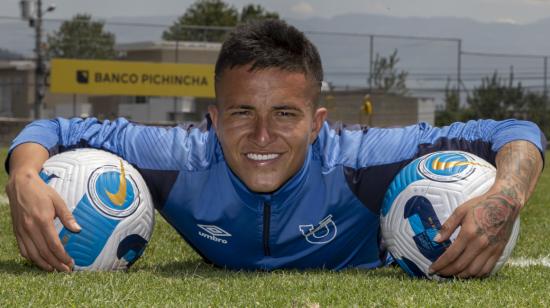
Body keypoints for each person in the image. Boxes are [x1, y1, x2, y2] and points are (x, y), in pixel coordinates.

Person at [5, 20, 545, 278]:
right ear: (213, 120)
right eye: (242, 113)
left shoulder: (362, 160)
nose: (262, 137)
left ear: (317, 123)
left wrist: (507, 197)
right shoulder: (180, 159)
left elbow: (514, 129)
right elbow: (53, 130)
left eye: (285, 114)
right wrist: (25, 178)